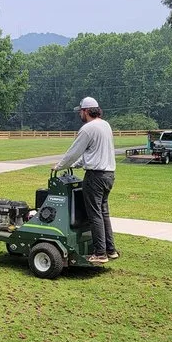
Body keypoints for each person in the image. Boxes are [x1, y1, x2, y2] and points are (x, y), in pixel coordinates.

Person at [51, 96, 118, 264]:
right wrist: (75, 164)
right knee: (103, 213)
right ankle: (110, 250)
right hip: (109, 175)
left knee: (94, 214)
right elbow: (90, 154)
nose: (79, 114)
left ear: (86, 111)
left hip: (95, 177)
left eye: (80, 111)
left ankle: (100, 253)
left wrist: (59, 166)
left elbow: (74, 151)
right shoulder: (105, 125)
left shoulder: (88, 129)